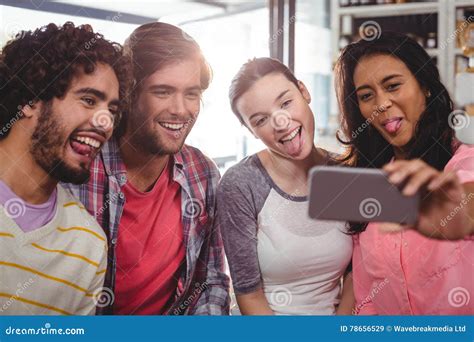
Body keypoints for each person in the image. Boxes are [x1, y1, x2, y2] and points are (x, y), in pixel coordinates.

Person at [63, 22, 230, 315]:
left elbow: (210, 281)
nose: (180, 109)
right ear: (128, 96)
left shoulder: (202, 173)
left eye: (191, 94)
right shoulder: (80, 170)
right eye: (163, 92)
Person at [334, 32, 474, 314]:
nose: (381, 103)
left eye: (393, 85)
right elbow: (365, 291)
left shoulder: (465, 164)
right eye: (366, 95)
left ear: (425, 86)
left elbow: (467, 199)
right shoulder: (366, 182)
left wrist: (457, 214)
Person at [0, 22, 128, 315]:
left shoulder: (88, 244)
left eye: (112, 111)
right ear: (29, 100)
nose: (105, 123)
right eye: (88, 100)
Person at [217, 57, 353, 315]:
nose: (281, 123)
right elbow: (249, 297)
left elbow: (356, 276)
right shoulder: (240, 184)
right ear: (251, 131)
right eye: (260, 120)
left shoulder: (345, 173)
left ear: (304, 91)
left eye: (286, 103)